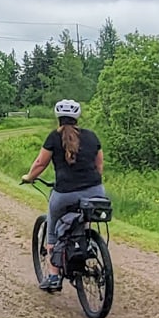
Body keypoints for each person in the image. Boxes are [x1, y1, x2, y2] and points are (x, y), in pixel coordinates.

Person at [21, 99, 105, 292]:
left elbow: (40, 163)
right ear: (77, 117)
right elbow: (99, 165)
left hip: (65, 194)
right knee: (84, 219)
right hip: (95, 191)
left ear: (58, 118)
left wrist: (28, 177)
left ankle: (53, 276)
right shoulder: (92, 136)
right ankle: (83, 247)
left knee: (52, 228)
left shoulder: (53, 138)